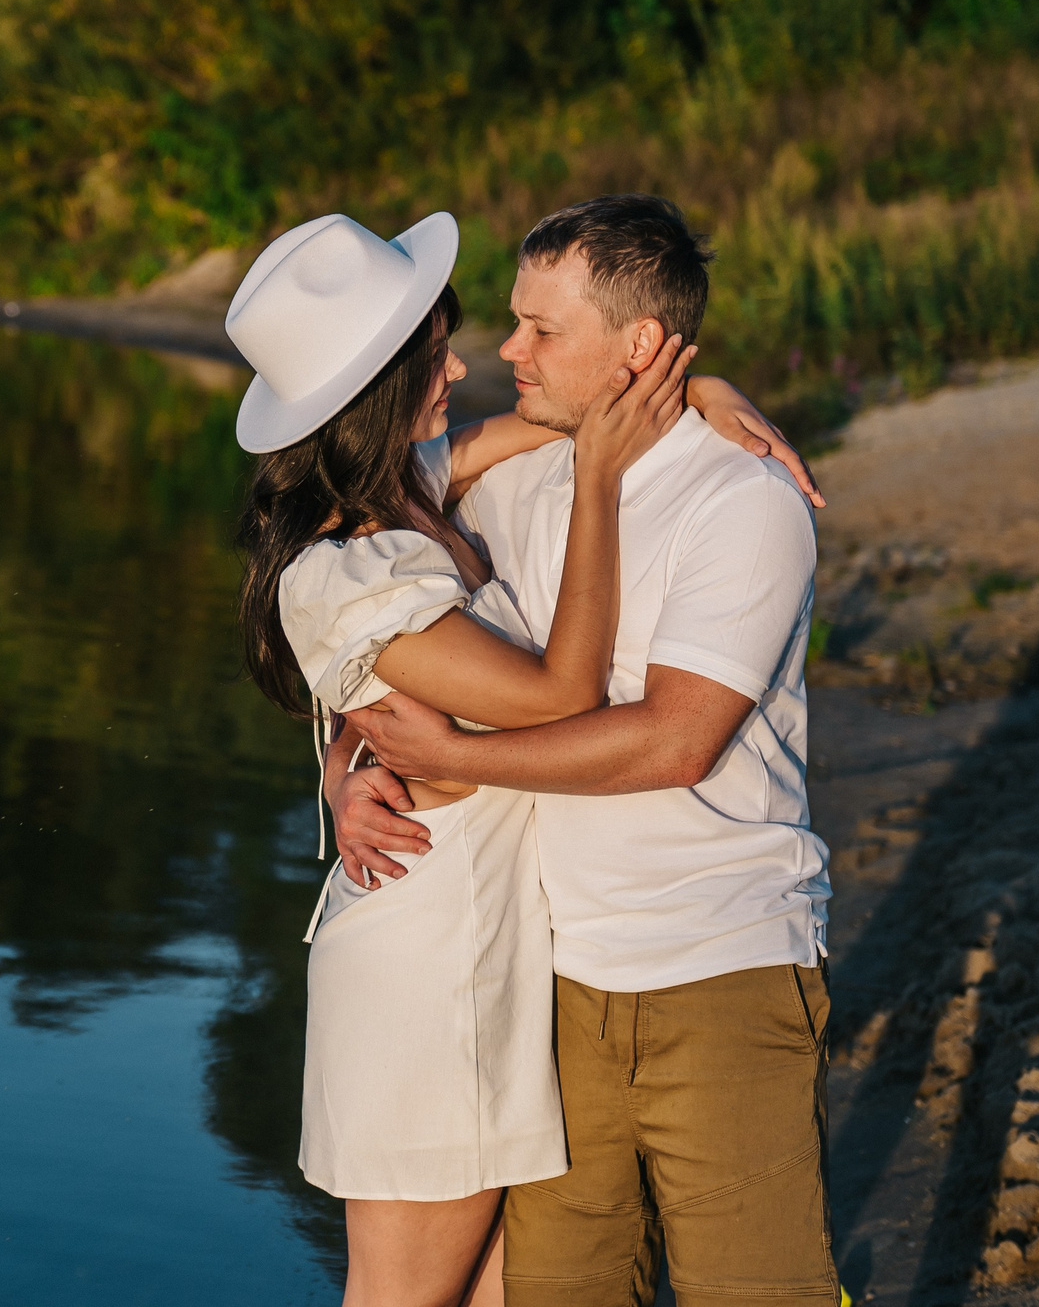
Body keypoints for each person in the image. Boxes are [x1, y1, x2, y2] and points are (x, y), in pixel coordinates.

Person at [225, 211, 814, 1307]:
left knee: (509, 1288)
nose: (476, 360)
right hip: (430, 952)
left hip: (502, 943)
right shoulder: (363, 558)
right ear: (375, 390)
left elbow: (550, 424)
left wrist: (698, 390)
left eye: (514, 328)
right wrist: (598, 477)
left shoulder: (423, 487)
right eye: (441, 348)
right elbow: (548, 695)